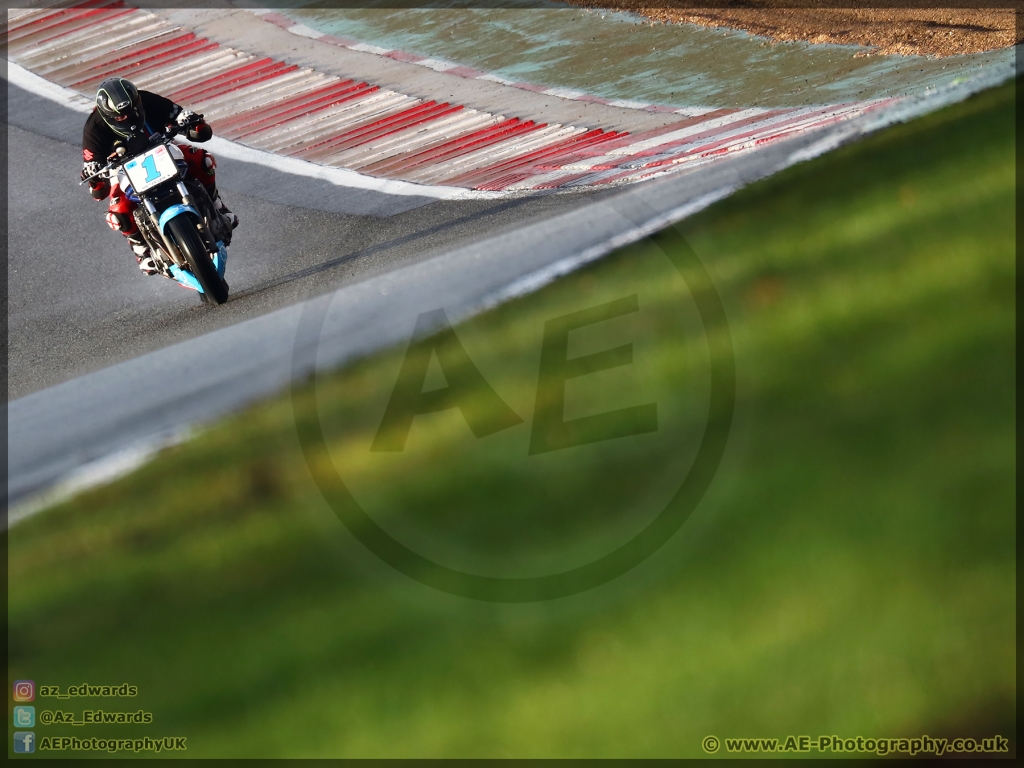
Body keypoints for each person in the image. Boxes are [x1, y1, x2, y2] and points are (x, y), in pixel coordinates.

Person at [80, 77, 238, 274]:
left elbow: (178, 113)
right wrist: (93, 174)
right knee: (117, 213)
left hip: (162, 148)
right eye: (120, 117)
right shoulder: (94, 127)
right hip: (123, 169)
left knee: (202, 160)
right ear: (107, 116)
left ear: (136, 102)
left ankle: (217, 207)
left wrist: (190, 121)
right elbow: (92, 172)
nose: (127, 118)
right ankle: (142, 250)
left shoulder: (147, 100)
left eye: (131, 111)